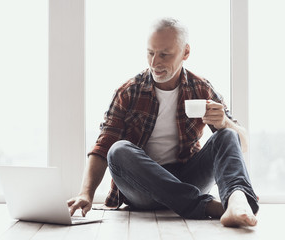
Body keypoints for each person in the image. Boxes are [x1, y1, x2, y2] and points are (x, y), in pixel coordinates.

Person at [67, 17, 259, 227]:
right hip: (143, 187)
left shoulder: (201, 88)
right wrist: (86, 194)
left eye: (165, 55)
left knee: (227, 133)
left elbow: (243, 142)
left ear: (185, 52)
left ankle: (237, 201)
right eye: (150, 53)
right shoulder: (129, 91)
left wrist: (224, 122)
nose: (155, 62)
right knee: (117, 150)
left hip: (188, 178)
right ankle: (209, 206)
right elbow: (103, 148)